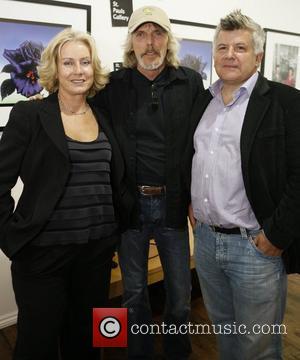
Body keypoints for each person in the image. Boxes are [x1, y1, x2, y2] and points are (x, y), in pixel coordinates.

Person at [0, 28, 129, 360]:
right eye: (68, 62)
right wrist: (12, 238)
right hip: (43, 256)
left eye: (85, 62)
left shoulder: (104, 116)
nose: (78, 70)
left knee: (89, 343)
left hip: (96, 255)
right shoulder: (30, 115)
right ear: (54, 69)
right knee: (36, 345)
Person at [188, 10, 300, 360]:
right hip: (206, 243)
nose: (230, 55)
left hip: (254, 246)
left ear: (258, 56)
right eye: (222, 48)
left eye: (240, 47)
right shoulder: (202, 102)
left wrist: (277, 235)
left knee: (259, 347)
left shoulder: (286, 103)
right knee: (226, 334)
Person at [94, 5, 204, 360]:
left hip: (173, 205)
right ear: (132, 42)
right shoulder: (113, 86)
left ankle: (177, 354)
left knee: (179, 298)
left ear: (168, 39)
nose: (150, 42)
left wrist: (195, 198)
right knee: (134, 295)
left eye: (157, 33)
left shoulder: (189, 82)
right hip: (130, 207)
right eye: (141, 34)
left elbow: (204, 143)